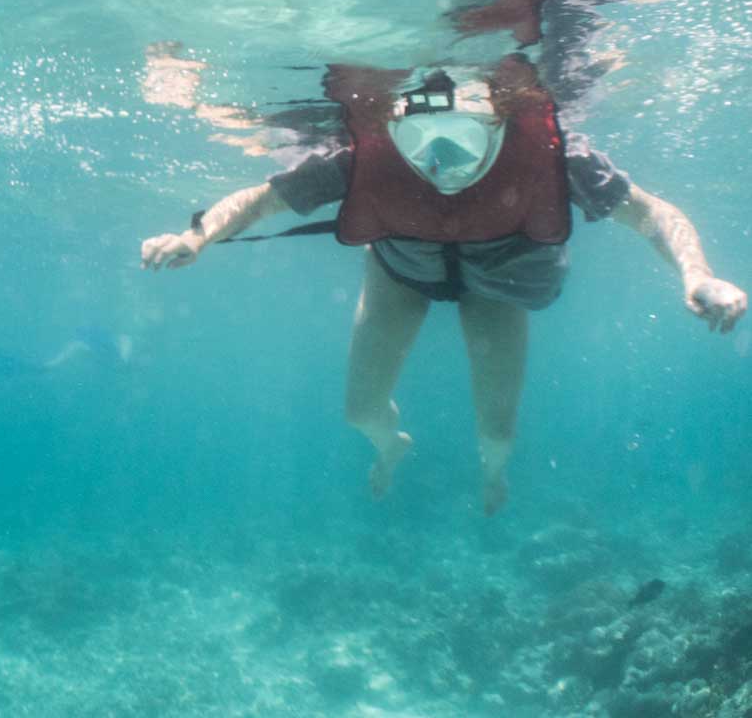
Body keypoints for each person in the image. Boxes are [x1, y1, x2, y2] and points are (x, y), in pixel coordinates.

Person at [140, 56, 746, 515]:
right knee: (359, 411)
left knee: (498, 430)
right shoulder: (360, 155)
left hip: (499, 280)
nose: (443, 161)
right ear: (396, 125)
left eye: (466, 135)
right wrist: (198, 236)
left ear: (500, 119)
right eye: (422, 140)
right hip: (400, 269)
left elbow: (652, 214)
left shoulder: (557, 153)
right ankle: (389, 447)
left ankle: (492, 474)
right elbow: (265, 199)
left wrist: (698, 273)